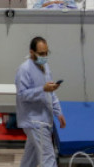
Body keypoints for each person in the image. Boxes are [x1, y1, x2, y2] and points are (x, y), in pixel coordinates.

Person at [15, 36, 66, 167]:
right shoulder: (24, 70)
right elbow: (22, 95)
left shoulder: (45, 67)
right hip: (34, 121)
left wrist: (58, 112)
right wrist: (42, 89)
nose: (44, 56)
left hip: (44, 119)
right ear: (32, 52)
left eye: (46, 53)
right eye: (41, 53)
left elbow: (51, 92)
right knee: (48, 158)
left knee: (30, 159)